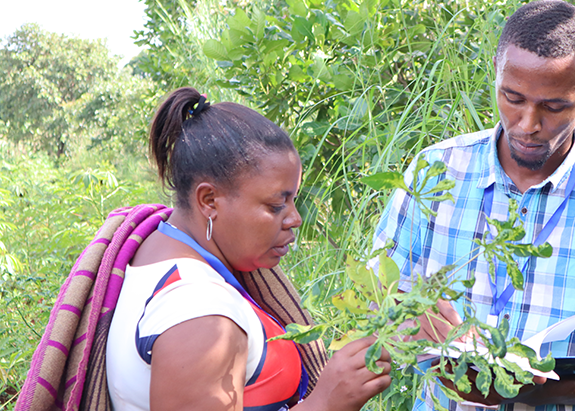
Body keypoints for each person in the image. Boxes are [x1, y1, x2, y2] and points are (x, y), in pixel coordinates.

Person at [372, 1, 575, 410]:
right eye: (513, 97)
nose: (527, 124)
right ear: (497, 74)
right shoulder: (435, 171)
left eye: (554, 107)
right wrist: (426, 325)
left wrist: (530, 386)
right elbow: (379, 295)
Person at [105, 87, 391, 411]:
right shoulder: (200, 314)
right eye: (275, 205)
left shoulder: (156, 250)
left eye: (293, 200)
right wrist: (325, 402)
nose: (295, 219)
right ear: (209, 201)